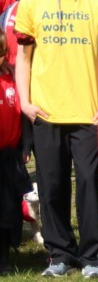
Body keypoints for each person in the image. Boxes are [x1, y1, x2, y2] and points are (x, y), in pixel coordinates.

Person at [15, 0, 98, 278]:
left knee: (89, 186)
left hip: (89, 112)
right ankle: (59, 254)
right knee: (51, 185)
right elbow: (23, 57)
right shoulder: (32, 3)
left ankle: (92, 256)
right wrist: (26, 102)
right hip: (46, 111)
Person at [0, 34, 32, 275]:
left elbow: (21, 113)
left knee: (9, 208)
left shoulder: (12, 78)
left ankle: (5, 256)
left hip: (10, 155)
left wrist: (25, 146)